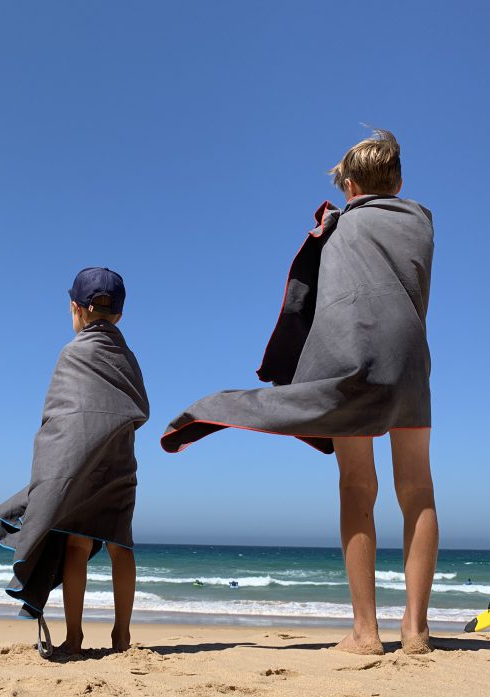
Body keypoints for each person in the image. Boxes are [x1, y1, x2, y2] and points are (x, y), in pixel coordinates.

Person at [160, 129, 437, 656]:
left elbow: (307, 302)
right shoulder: (421, 223)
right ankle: (417, 630)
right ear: (398, 181)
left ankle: (365, 632)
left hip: (353, 355)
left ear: (349, 185)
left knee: (358, 486)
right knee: (418, 490)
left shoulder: (334, 229)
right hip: (411, 361)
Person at [0, 267, 149, 656]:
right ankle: (121, 636)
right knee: (120, 545)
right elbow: (137, 405)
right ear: (120, 315)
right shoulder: (128, 357)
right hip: (118, 464)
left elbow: (60, 419)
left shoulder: (72, 352)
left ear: (75, 309)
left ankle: (74, 637)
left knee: (77, 543)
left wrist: (51, 467)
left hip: (76, 464)